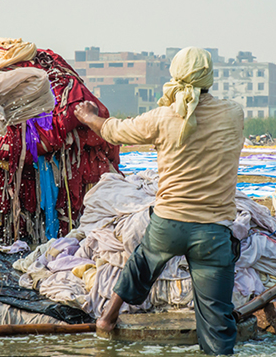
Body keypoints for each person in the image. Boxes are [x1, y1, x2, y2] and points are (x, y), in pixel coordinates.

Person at [73, 47, 244, 355]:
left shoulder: (163, 117)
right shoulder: (234, 114)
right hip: (213, 232)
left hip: (168, 224)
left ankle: (107, 318)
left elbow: (114, 131)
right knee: (218, 320)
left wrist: (89, 117)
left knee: (142, 262)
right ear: (209, 78)